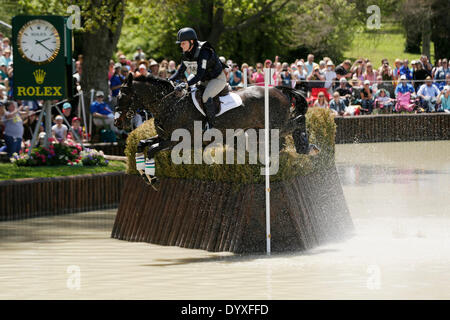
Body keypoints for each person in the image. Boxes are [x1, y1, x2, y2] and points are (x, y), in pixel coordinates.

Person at [169, 27, 227, 129]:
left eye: (183, 43)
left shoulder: (204, 52)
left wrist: (186, 84)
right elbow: (180, 72)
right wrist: (169, 80)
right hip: (204, 81)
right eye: (180, 44)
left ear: (191, 42)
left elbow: (199, 74)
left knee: (205, 97)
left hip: (217, 79)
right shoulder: (187, 54)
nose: (181, 46)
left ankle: (212, 126)